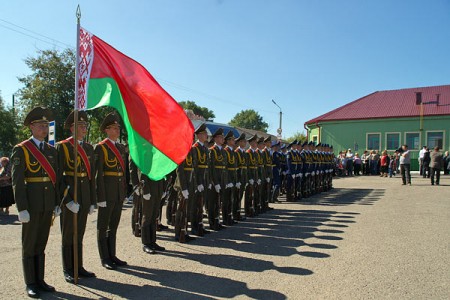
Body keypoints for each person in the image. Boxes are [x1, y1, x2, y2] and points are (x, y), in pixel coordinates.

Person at [11, 107, 59, 298]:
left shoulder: (51, 150)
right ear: (31, 127)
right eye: (40, 125)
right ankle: (30, 282)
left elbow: (54, 180)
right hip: (31, 205)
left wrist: (56, 202)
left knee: (41, 243)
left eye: (46, 125)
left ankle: (40, 280)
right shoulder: (21, 149)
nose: (44, 128)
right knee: (29, 244)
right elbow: (17, 182)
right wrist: (21, 208)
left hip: (47, 205)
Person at [56, 110, 97, 283]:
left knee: (79, 233)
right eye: (80, 125)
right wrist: (66, 200)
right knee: (68, 234)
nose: (84, 128)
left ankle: (78, 266)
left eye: (85, 125)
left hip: (84, 194)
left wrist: (92, 200)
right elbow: (58, 177)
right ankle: (68, 268)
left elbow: (91, 176)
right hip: (70, 195)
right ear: (72, 128)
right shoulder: (63, 146)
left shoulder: (88, 147)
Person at [95, 113, 128, 270]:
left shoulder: (121, 147)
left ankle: (112, 255)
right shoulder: (101, 148)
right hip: (107, 193)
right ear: (107, 130)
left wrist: (125, 192)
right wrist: (100, 196)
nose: (117, 130)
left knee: (113, 225)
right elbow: (98, 175)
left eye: (118, 127)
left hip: (118, 193)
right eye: (114, 128)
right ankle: (104, 257)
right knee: (103, 226)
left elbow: (124, 172)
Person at [129, 159, 166, 254]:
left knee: (154, 216)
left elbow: (161, 170)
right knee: (147, 216)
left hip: (158, 187)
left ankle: (152, 241)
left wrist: (163, 188)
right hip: (149, 188)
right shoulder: (146, 151)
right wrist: (145, 190)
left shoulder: (157, 152)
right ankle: (146, 243)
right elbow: (142, 171)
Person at [191, 123, 210, 236]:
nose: (206, 135)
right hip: (197, 181)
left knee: (201, 204)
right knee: (195, 206)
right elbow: (195, 168)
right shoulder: (195, 148)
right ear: (199, 135)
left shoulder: (204, 148)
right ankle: (194, 227)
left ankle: (200, 225)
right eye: (204, 134)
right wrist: (198, 183)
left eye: (206, 133)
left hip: (204, 180)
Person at [207, 128, 227, 230]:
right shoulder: (212, 151)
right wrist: (215, 182)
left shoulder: (223, 151)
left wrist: (225, 181)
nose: (223, 139)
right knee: (213, 202)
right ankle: (212, 222)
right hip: (215, 180)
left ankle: (217, 221)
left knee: (219, 202)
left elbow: (225, 168)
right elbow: (211, 168)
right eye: (221, 137)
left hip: (222, 179)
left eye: (223, 137)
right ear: (215, 138)